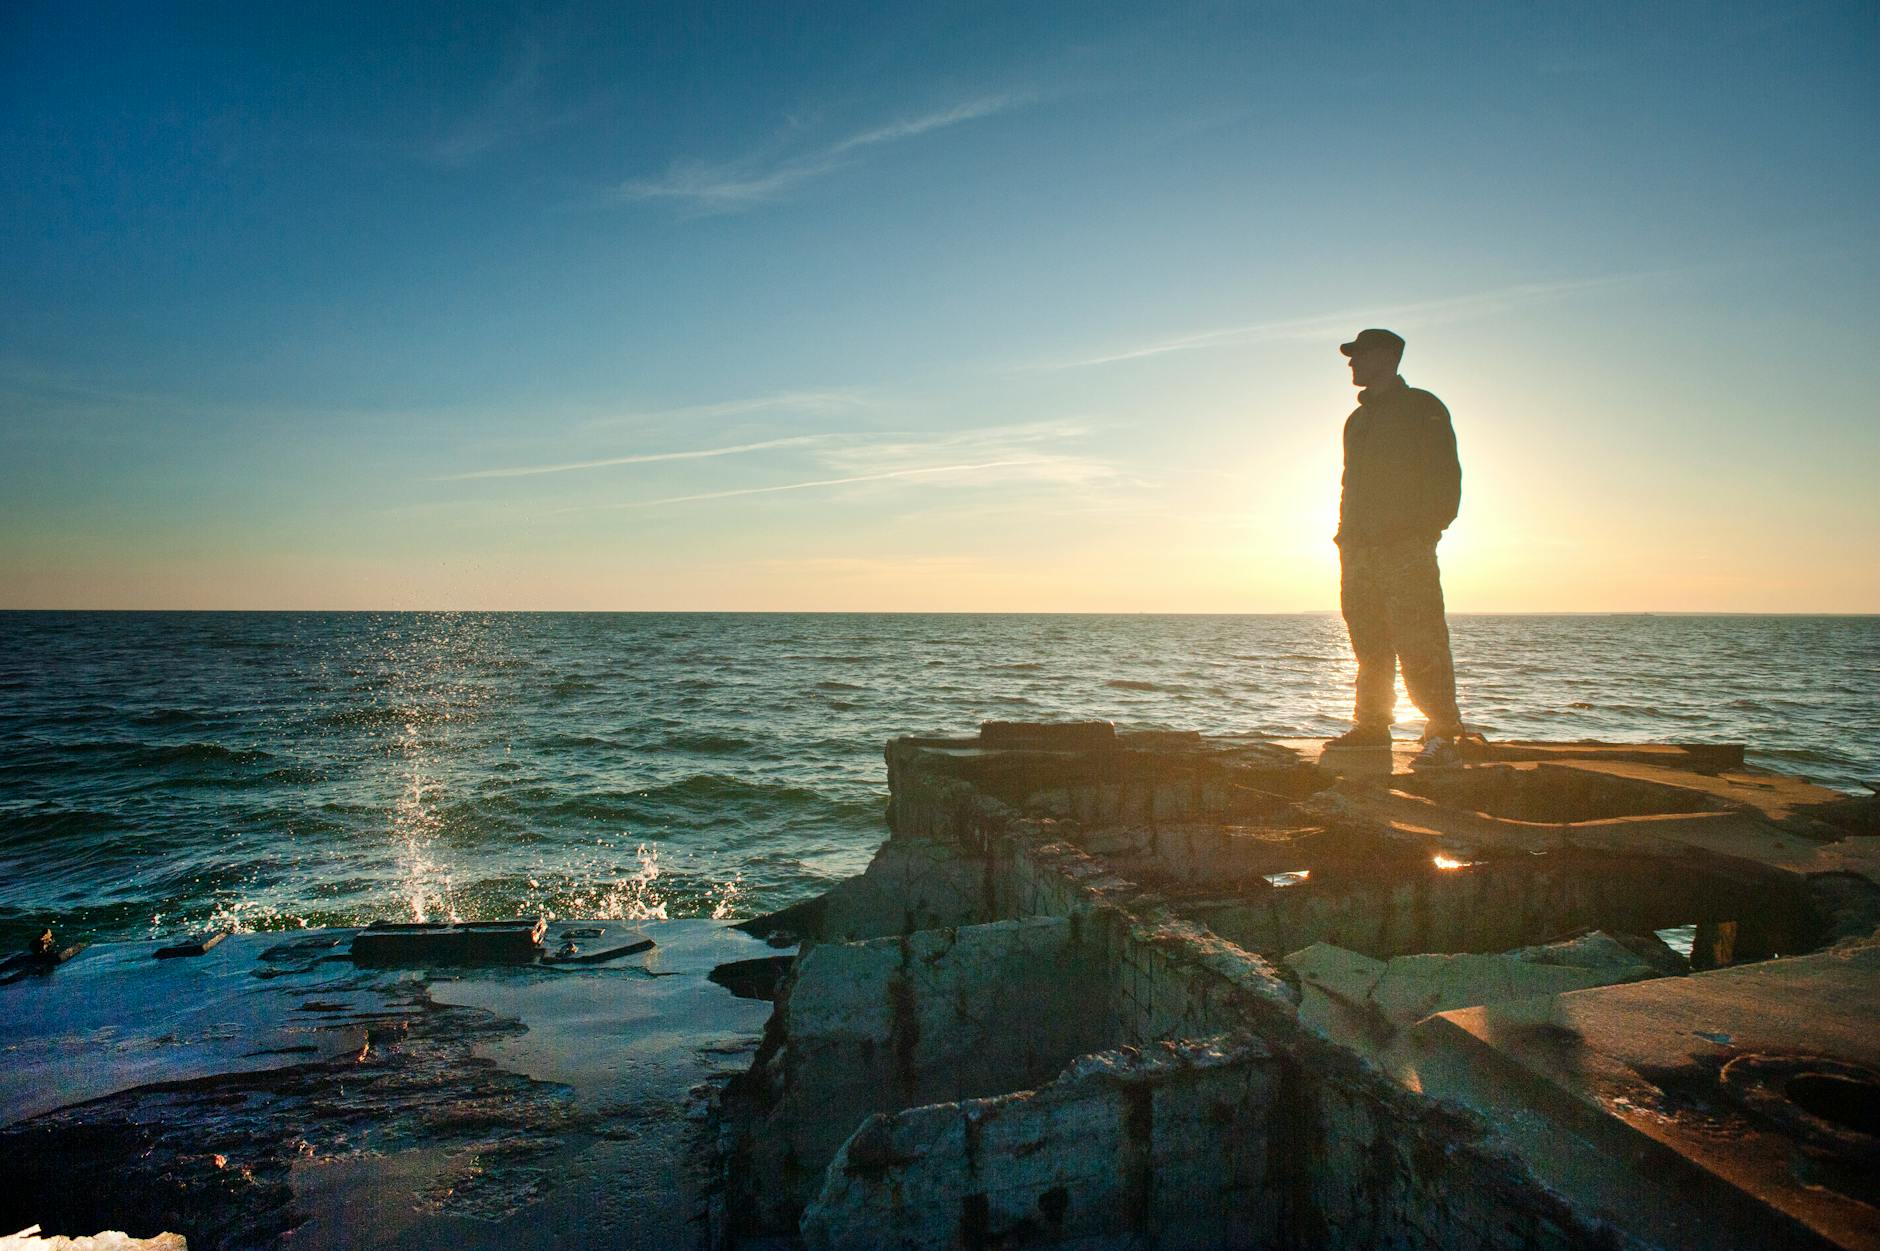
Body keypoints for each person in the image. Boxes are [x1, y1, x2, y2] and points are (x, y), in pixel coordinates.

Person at [1323, 328, 1474, 763]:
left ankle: (1444, 730)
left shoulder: (1422, 408)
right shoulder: (1358, 420)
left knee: (1419, 638)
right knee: (1368, 641)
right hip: (1358, 549)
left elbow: (1447, 476)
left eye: (1359, 356)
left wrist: (1423, 532)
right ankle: (1371, 727)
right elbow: (1349, 485)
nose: (1351, 364)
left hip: (1404, 548)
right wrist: (1345, 537)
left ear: (1387, 357)